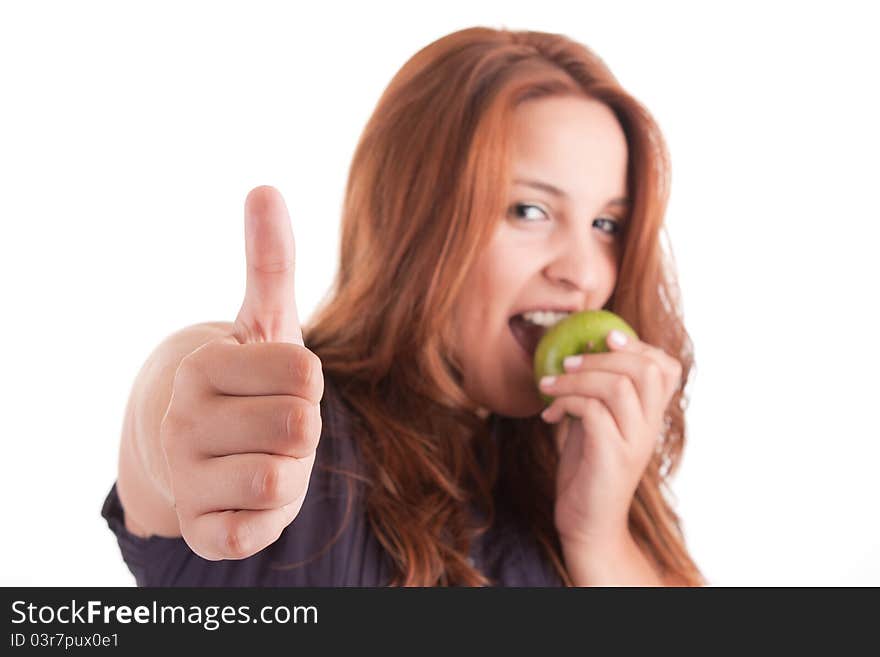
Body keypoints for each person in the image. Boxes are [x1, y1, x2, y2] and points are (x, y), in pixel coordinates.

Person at [102, 26, 705, 586]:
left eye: (606, 223)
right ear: (415, 220)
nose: (581, 273)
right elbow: (174, 406)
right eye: (530, 211)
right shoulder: (300, 429)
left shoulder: (593, 474)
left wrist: (599, 535)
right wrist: (182, 393)